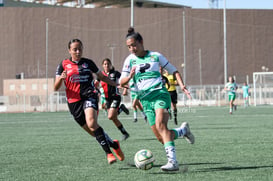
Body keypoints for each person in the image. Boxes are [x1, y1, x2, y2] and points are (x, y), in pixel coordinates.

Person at [120, 27, 195, 172]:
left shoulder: (156, 56)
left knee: (161, 125)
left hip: (160, 94)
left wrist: (182, 86)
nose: (132, 49)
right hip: (145, 100)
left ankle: (173, 162)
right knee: (162, 136)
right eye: (129, 47)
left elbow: (174, 70)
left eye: (134, 45)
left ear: (141, 42)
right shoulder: (129, 60)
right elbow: (122, 81)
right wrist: (129, 77)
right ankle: (183, 131)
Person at [54, 39, 124, 165]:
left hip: (89, 96)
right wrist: (61, 79)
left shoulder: (88, 63)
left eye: (80, 48)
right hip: (73, 102)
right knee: (93, 132)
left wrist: (116, 84)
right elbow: (55, 87)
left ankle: (108, 153)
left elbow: (102, 77)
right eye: (75, 49)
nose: (78, 51)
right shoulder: (63, 65)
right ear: (69, 50)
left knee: (92, 123)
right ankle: (114, 144)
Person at [97, 58, 130, 141]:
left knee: (111, 116)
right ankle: (124, 133)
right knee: (113, 118)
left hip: (115, 97)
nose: (106, 65)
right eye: (105, 64)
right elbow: (95, 84)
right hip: (107, 99)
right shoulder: (100, 75)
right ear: (102, 65)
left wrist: (125, 89)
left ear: (110, 64)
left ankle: (121, 109)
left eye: (108, 64)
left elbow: (124, 81)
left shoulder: (115, 73)